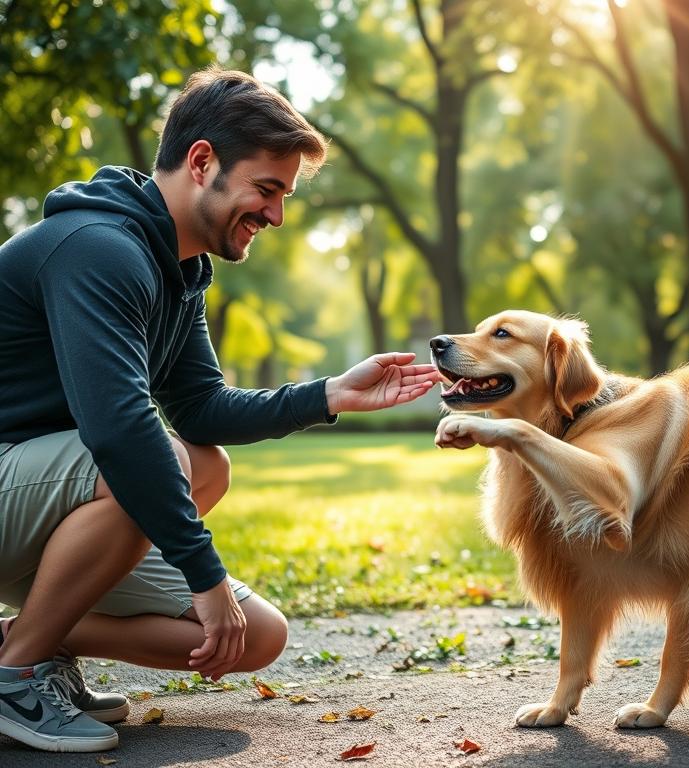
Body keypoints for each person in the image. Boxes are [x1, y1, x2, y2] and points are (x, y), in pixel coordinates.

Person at [0, 67, 440, 753]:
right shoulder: (97, 250)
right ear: (202, 162)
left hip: (33, 502)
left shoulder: (178, 270)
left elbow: (200, 408)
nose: (276, 215)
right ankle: (15, 673)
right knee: (161, 462)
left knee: (253, 619)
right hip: (13, 481)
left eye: (284, 196)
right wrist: (205, 577)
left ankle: (31, 640)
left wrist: (329, 395)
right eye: (268, 189)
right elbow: (119, 430)